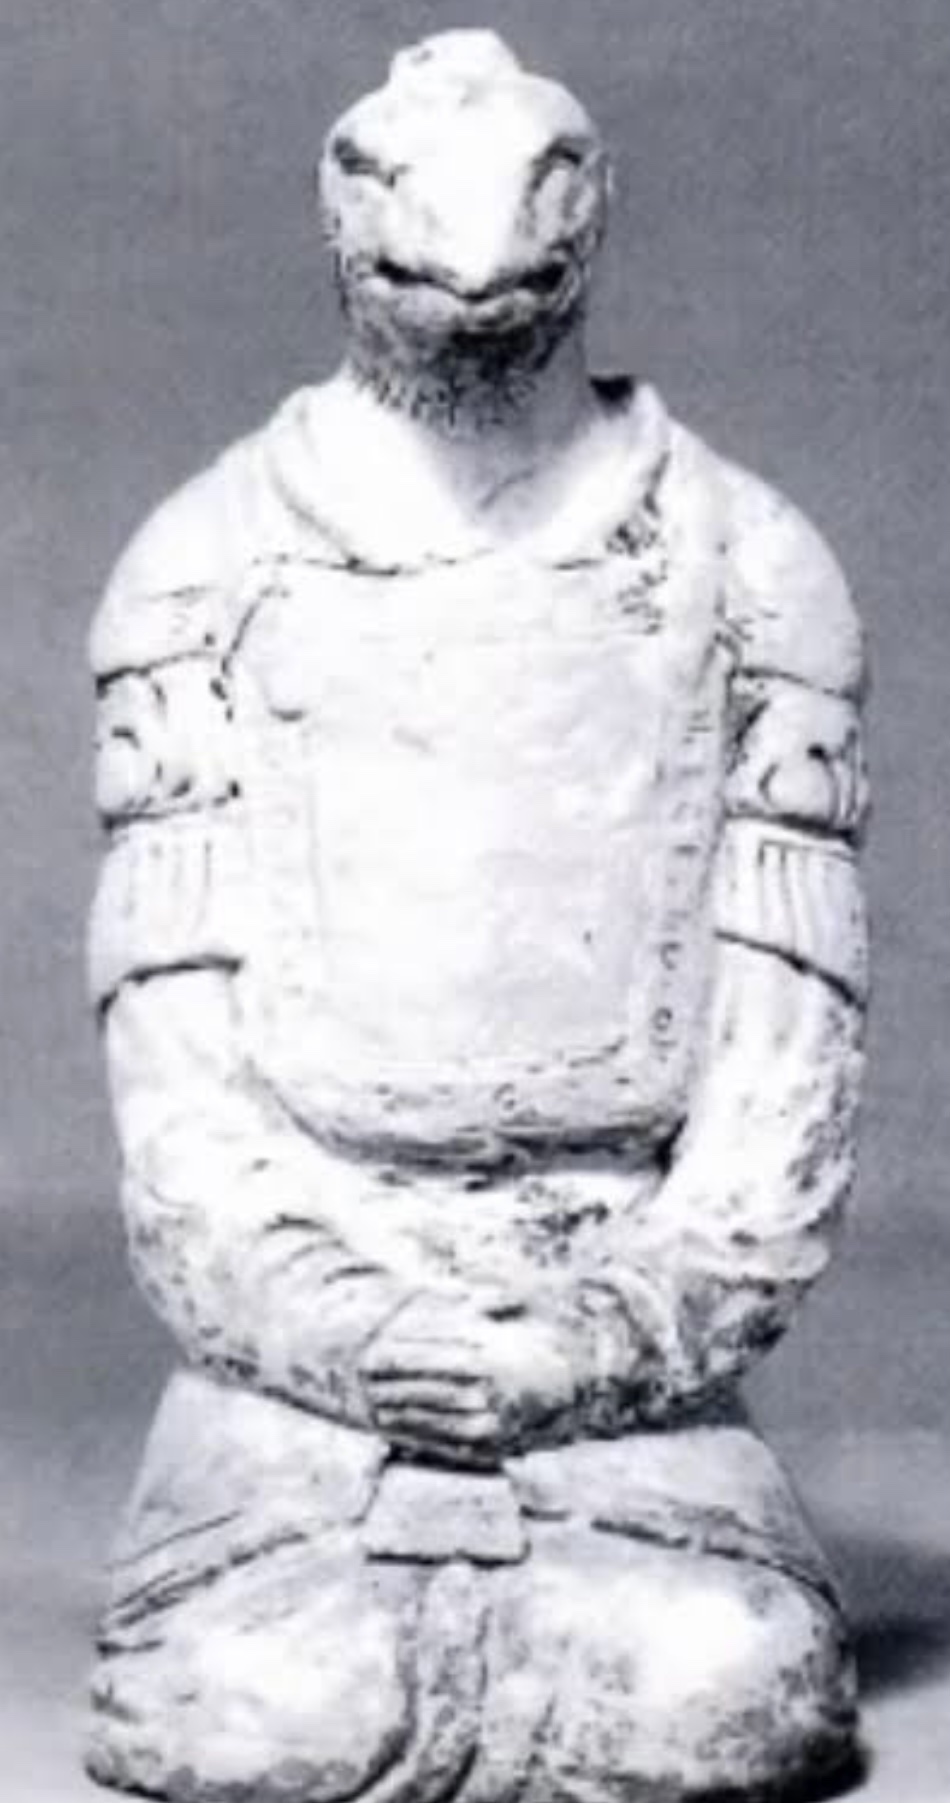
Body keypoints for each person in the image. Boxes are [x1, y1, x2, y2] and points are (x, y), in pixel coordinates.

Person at [87, 31, 868, 1803]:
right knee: (269, 1714)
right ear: (339, 221)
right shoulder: (201, 568)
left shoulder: (749, 567)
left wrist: (592, 1341)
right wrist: (347, 1334)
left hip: (617, 1319)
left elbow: (779, 1090)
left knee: (711, 1700)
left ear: (589, 216)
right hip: (298, 1350)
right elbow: (183, 1108)